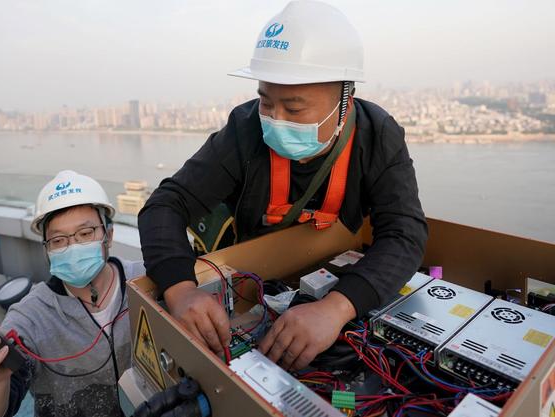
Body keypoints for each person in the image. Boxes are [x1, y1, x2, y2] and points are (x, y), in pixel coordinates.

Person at [138, 0, 428, 371]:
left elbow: (405, 233)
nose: (275, 119)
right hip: (251, 287)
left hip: (333, 281)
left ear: (344, 100)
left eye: (294, 109)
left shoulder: (377, 136)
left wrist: (336, 308)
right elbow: (167, 204)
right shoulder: (245, 129)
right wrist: (180, 290)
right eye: (266, 101)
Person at [0, 170, 144, 417]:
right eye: (58, 240)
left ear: (108, 235)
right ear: (47, 249)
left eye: (85, 234)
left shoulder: (145, 280)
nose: (73, 246)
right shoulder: (31, 317)